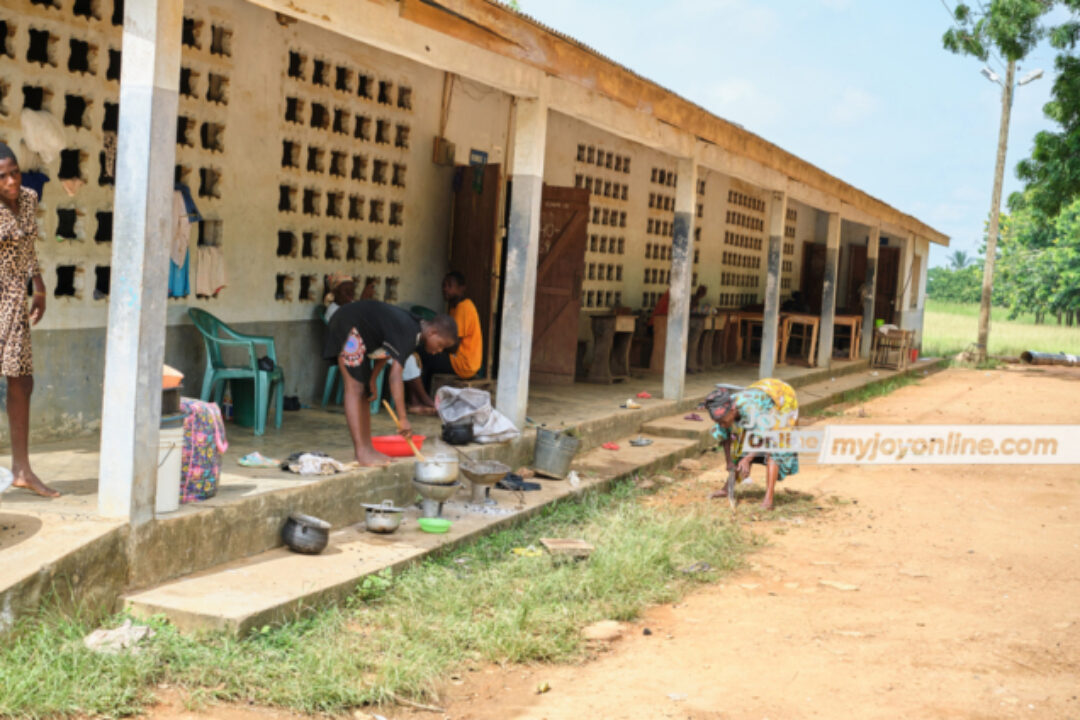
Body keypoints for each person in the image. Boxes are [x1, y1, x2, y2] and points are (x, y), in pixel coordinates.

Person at [323, 299, 457, 466]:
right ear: (433, 333)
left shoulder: (416, 329)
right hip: (348, 324)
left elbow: (387, 349)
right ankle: (362, 452)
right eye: (441, 345)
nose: (439, 351)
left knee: (364, 391)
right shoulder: (410, 331)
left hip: (361, 332)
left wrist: (372, 379)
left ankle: (368, 448)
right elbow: (395, 376)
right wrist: (403, 418)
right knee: (355, 388)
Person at [0, 143, 56, 497]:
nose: (11, 181)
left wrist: (39, 285)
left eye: (14, 172)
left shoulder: (29, 199)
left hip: (14, 300)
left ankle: (22, 469)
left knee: (22, 381)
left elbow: (29, 246)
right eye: (2, 176)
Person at [701, 378, 800, 510]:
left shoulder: (751, 410)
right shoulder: (723, 412)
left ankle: (768, 500)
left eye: (723, 421)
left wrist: (748, 458)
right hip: (761, 392)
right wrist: (729, 461)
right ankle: (727, 489)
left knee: (774, 446)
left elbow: (765, 435)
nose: (721, 425)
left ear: (733, 411)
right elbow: (725, 436)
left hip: (782, 397)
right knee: (741, 448)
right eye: (718, 422)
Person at [406, 271, 483, 414]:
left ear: (461, 288)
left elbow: (453, 346)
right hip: (459, 359)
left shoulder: (464, 307)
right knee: (425, 354)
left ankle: (418, 400)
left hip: (463, 362)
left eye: (450, 286)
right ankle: (421, 399)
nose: (445, 289)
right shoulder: (454, 307)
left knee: (423, 354)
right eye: (444, 285)